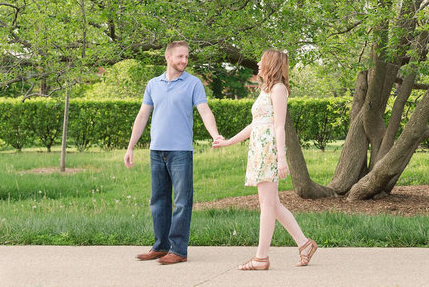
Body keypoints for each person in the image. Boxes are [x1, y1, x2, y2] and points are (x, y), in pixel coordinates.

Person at [213, 49, 318, 271]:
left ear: (271, 64)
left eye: (262, 60)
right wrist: (228, 141)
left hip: (269, 149)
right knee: (273, 204)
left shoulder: (279, 89)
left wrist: (281, 159)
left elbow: (279, 126)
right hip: (259, 150)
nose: (258, 63)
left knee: (268, 205)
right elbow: (256, 125)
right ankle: (305, 244)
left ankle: (261, 257)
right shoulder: (266, 90)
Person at [124, 40, 224, 265]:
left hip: (181, 152)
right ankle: (160, 247)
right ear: (168, 57)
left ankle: (178, 250)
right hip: (156, 151)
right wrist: (130, 147)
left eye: (187, 57)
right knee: (158, 201)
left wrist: (215, 134)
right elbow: (142, 116)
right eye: (180, 57)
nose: (184, 61)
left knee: (182, 201)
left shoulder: (193, 83)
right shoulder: (153, 84)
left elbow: (205, 111)